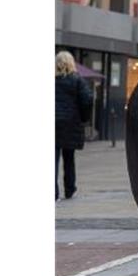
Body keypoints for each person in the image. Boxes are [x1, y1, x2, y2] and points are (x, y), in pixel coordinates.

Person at [55, 51, 93, 201]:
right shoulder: (77, 81)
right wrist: (83, 117)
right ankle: (69, 189)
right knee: (69, 158)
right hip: (70, 124)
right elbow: (88, 99)